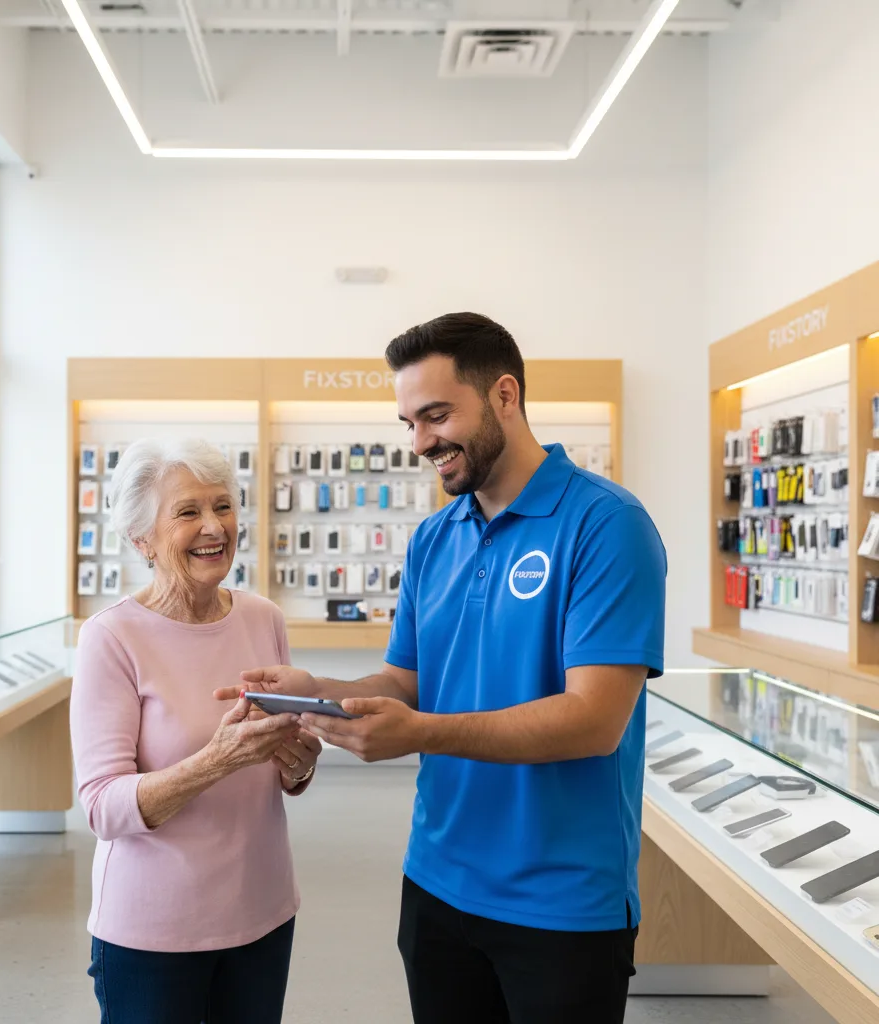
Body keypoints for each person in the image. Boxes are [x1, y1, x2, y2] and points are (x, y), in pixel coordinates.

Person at [218, 313, 667, 1024]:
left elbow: (594, 721)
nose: (421, 442)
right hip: (435, 882)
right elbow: (407, 683)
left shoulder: (607, 525)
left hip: (562, 901)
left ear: (506, 397)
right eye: (409, 423)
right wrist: (320, 692)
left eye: (436, 416)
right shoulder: (434, 538)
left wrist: (421, 733)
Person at [70, 438, 320, 1024]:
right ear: (141, 540)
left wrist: (299, 761)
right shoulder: (111, 638)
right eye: (188, 512)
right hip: (152, 931)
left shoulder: (264, 618)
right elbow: (103, 807)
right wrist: (218, 759)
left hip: (262, 912)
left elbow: (290, 775)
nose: (215, 527)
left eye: (223, 506)